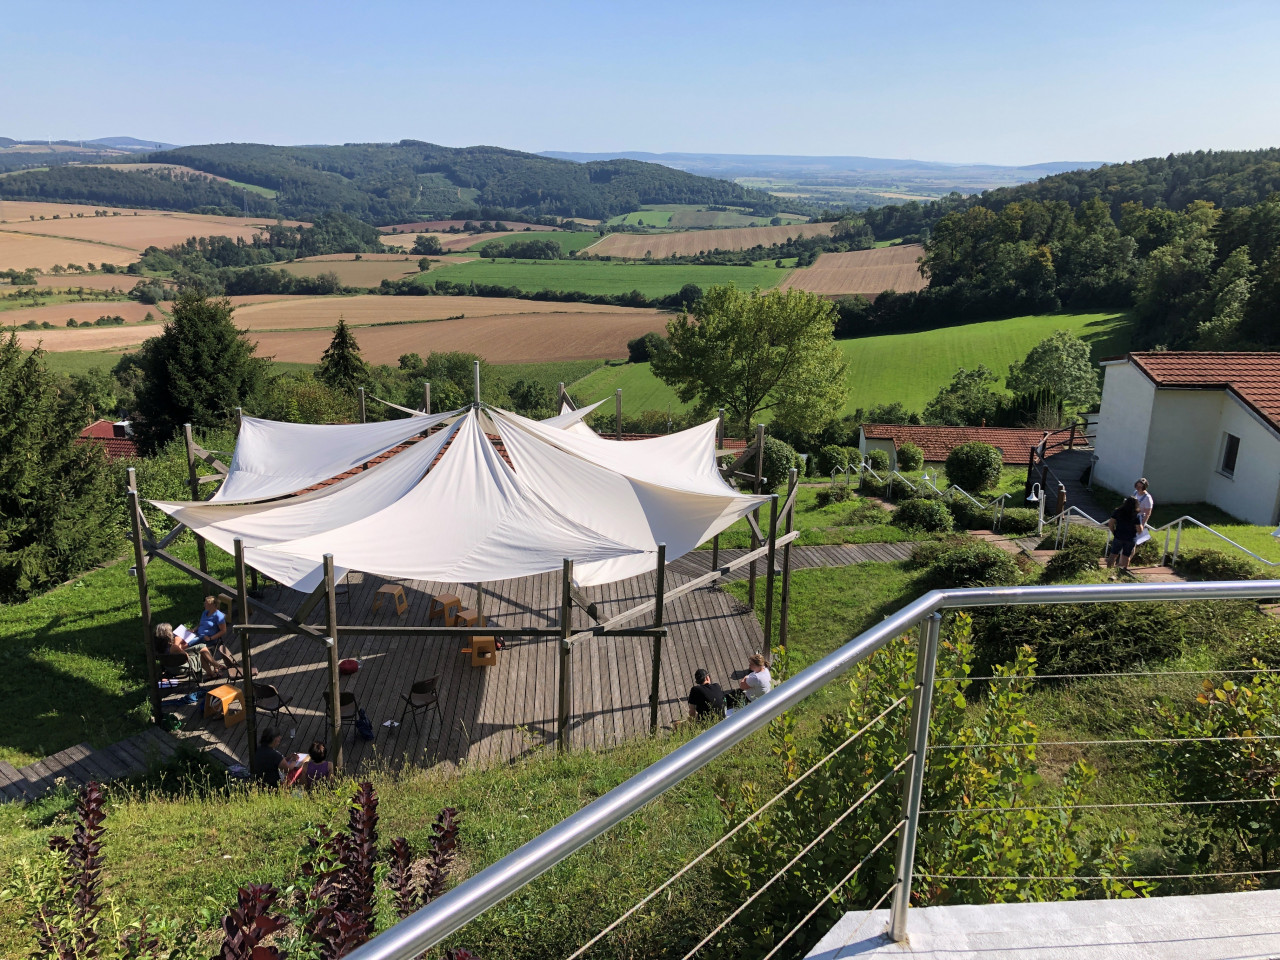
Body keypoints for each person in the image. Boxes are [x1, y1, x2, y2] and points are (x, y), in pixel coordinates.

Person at [153, 622, 219, 682]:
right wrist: (177, 642)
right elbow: (186, 656)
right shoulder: (173, 647)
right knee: (201, 652)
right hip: (181, 668)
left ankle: (212, 671)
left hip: (169, 668)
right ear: (168, 634)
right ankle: (214, 669)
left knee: (201, 647)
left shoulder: (157, 648)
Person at [1106, 497, 1144, 573]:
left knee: (1113, 554)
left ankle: (1108, 571)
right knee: (1126, 555)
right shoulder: (1136, 515)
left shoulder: (1117, 511)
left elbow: (1110, 523)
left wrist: (1114, 532)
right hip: (1130, 538)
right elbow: (1139, 529)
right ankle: (1122, 572)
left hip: (1119, 536)